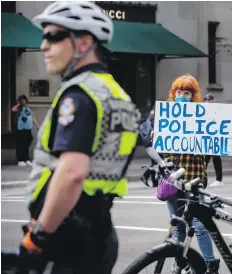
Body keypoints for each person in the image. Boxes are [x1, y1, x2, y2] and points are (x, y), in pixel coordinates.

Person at [21, 2, 140, 273]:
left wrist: (39, 234)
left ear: (84, 42)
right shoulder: (116, 93)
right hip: (98, 231)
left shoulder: (80, 96)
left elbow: (72, 173)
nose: (44, 46)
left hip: (68, 237)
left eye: (54, 36)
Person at [162, 74, 220, 274]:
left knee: (200, 225)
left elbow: (211, 147)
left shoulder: (202, 116)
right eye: (178, 92)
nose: (181, 96)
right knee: (178, 225)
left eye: (186, 92)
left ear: (193, 95)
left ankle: (210, 264)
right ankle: (181, 263)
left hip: (194, 179)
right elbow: (159, 149)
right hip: (172, 179)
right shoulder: (166, 116)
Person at [11, 95, 40, 166]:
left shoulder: (28, 108)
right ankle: (20, 160)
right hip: (20, 129)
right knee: (20, 144)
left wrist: (37, 125)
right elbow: (13, 109)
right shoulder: (19, 108)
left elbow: (33, 117)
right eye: (21, 100)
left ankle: (26, 159)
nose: (23, 101)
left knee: (28, 142)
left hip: (28, 129)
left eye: (24, 100)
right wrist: (18, 104)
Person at [203, 93, 224, 187]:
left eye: (210, 100)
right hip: (207, 139)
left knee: (216, 158)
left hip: (215, 138)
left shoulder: (218, 110)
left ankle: (219, 179)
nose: (209, 102)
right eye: (207, 100)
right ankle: (202, 176)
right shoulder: (202, 111)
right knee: (205, 159)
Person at [139, 107, 158, 187]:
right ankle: (146, 176)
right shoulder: (154, 117)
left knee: (155, 162)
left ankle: (154, 182)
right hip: (153, 142)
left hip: (151, 142)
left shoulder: (151, 117)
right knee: (156, 162)